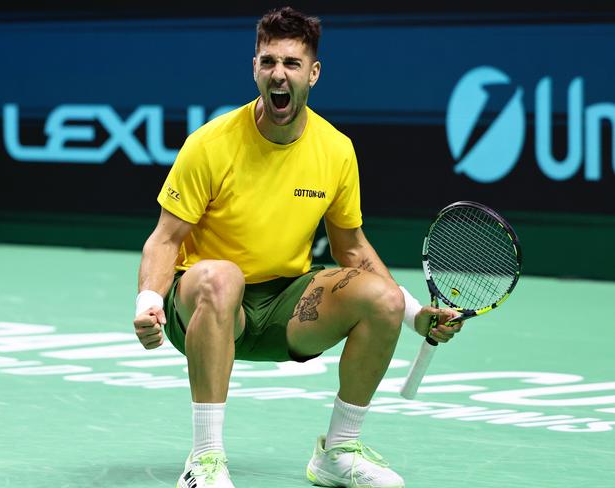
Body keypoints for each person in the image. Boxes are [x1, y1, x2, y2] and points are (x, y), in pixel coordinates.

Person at [133, 6, 462, 488]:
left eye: (291, 63)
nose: (278, 74)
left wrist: (413, 314)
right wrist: (147, 302)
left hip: (287, 306)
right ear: (254, 69)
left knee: (382, 296)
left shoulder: (335, 149)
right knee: (222, 276)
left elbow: (352, 247)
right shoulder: (211, 143)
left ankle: (338, 452)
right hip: (206, 304)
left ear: (313, 73)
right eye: (268, 62)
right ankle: (203, 460)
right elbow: (166, 238)